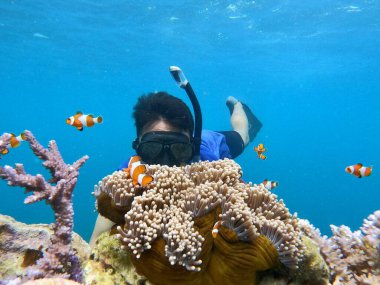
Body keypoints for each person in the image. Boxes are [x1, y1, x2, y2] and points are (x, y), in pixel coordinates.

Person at [89, 91, 261, 247]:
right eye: (153, 148)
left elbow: (241, 201)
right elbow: (104, 221)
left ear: (191, 145)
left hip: (213, 141)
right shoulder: (133, 169)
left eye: (179, 149)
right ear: (138, 146)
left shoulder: (209, 161)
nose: (165, 163)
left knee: (242, 136)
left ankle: (238, 106)